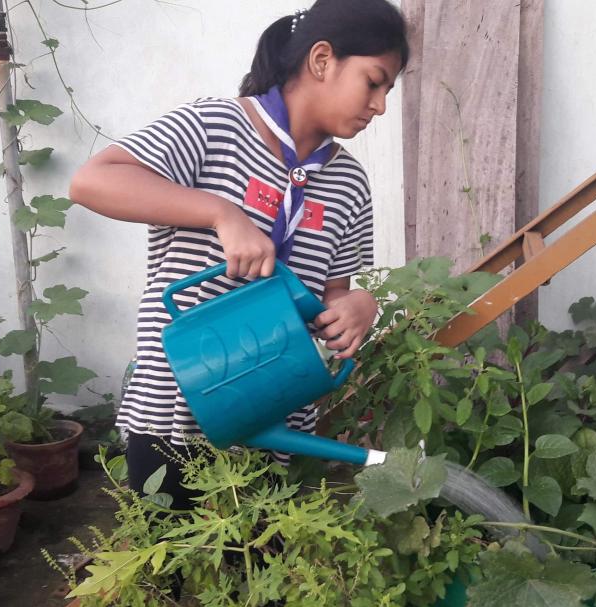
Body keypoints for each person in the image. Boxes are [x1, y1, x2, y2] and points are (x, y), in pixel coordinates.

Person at [69, 0, 409, 502]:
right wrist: (220, 213)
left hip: (277, 410)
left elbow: (334, 294)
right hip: (178, 414)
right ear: (322, 60)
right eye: (373, 81)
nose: (379, 105)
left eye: (388, 90)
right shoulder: (214, 128)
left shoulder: (349, 182)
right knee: (172, 566)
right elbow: (92, 181)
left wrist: (360, 306)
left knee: (257, 566)